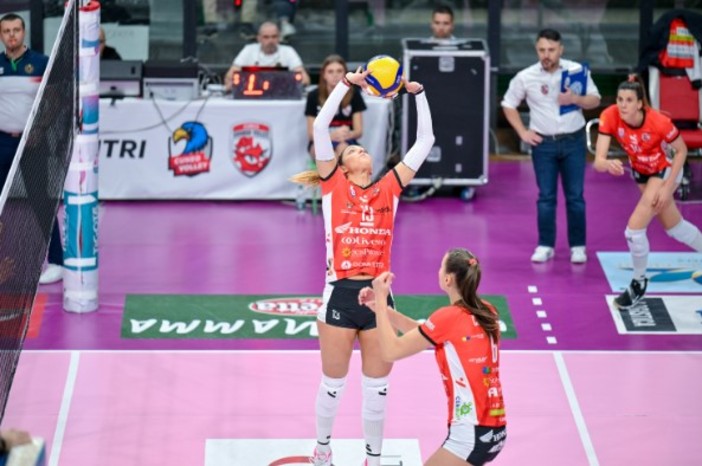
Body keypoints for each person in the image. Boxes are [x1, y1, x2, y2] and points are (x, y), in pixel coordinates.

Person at [291, 68, 434, 466]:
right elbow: (321, 125)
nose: (358, 149)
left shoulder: (389, 186)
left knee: (376, 389)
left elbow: (426, 141)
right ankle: (322, 451)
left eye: (359, 148)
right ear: (343, 165)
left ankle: (373, 457)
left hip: (379, 298)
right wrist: (348, 84)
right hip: (340, 292)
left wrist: (417, 94)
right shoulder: (333, 185)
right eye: (350, 150)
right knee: (333, 385)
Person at [358, 248, 507, 465]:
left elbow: (391, 351)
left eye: (441, 266)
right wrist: (382, 310)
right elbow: (426, 334)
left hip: (470, 434)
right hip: (494, 428)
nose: (437, 271)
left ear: (447, 279)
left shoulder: (449, 317)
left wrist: (381, 298)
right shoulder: (487, 311)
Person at [594, 75, 702, 309]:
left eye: (629, 100)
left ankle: (638, 283)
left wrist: (667, 187)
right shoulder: (610, 116)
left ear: (640, 104)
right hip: (641, 170)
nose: (623, 105)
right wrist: (606, 164)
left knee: (633, 230)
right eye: (620, 99)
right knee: (675, 227)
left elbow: (682, 152)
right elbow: (598, 160)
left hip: (666, 168)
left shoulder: (658, 122)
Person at [502, 28, 601, 264]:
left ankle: (578, 246)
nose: (546, 54)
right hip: (543, 144)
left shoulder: (576, 70)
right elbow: (508, 104)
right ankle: (545, 245)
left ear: (561, 49)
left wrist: (575, 99)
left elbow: (595, 99)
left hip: (573, 141)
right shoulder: (526, 76)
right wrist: (522, 132)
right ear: (537, 50)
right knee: (546, 197)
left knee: (575, 196)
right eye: (542, 50)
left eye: (551, 50)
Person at [0, 13, 63, 284]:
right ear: (1, 35)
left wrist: (39, 128)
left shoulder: (41, 63)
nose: (12, 35)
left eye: (16, 30)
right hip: (2, 141)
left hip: (32, 143)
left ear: (23, 32)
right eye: (6, 31)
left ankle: (57, 261)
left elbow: (57, 100)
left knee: (41, 201)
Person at [305, 55, 366, 161]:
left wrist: (348, 134)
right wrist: (330, 136)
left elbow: (358, 131)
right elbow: (311, 134)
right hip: (321, 139)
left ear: (346, 73)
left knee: (343, 149)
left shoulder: (354, 94)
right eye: (330, 71)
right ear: (324, 75)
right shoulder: (313, 95)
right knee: (320, 150)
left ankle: (341, 177)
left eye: (339, 71)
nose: (335, 75)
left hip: (345, 139)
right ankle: (328, 176)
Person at [224, 21, 310, 90]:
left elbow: (305, 79)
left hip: (281, 98)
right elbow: (230, 76)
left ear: (279, 37)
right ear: (259, 38)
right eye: (266, 37)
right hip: (253, 97)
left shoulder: (288, 51)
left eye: (274, 37)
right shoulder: (248, 50)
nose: (270, 41)